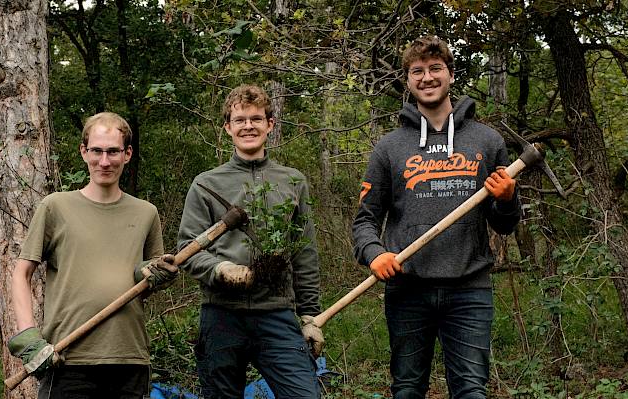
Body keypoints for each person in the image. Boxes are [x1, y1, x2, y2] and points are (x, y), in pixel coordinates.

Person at [352, 36, 520, 399]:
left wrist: (507, 199)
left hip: (470, 288)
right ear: (408, 80)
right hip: (408, 290)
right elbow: (365, 219)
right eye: (417, 71)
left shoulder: (487, 142)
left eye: (435, 69)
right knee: (408, 389)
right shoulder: (389, 147)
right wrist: (373, 253)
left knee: (471, 390)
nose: (427, 77)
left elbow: (504, 223)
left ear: (451, 74)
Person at [8, 112, 177, 399]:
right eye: (96, 151)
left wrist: (155, 274)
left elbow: (148, 284)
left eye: (113, 151)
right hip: (67, 359)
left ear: (127, 154)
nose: (104, 161)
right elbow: (21, 273)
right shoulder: (56, 207)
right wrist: (29, 337)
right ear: (83, 151)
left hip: (129, 359)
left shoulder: (146, 213)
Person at [177, 84, 323, 399]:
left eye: (256, 119)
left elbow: (305, 253)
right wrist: (220, 269)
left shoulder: (293, 181)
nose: (248, 126)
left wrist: (311, 317)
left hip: (276, 313)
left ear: (270, 125)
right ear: (227, 127)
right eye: (240, 120)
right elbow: (187, 251)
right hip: (221, 315)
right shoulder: (206, 184)